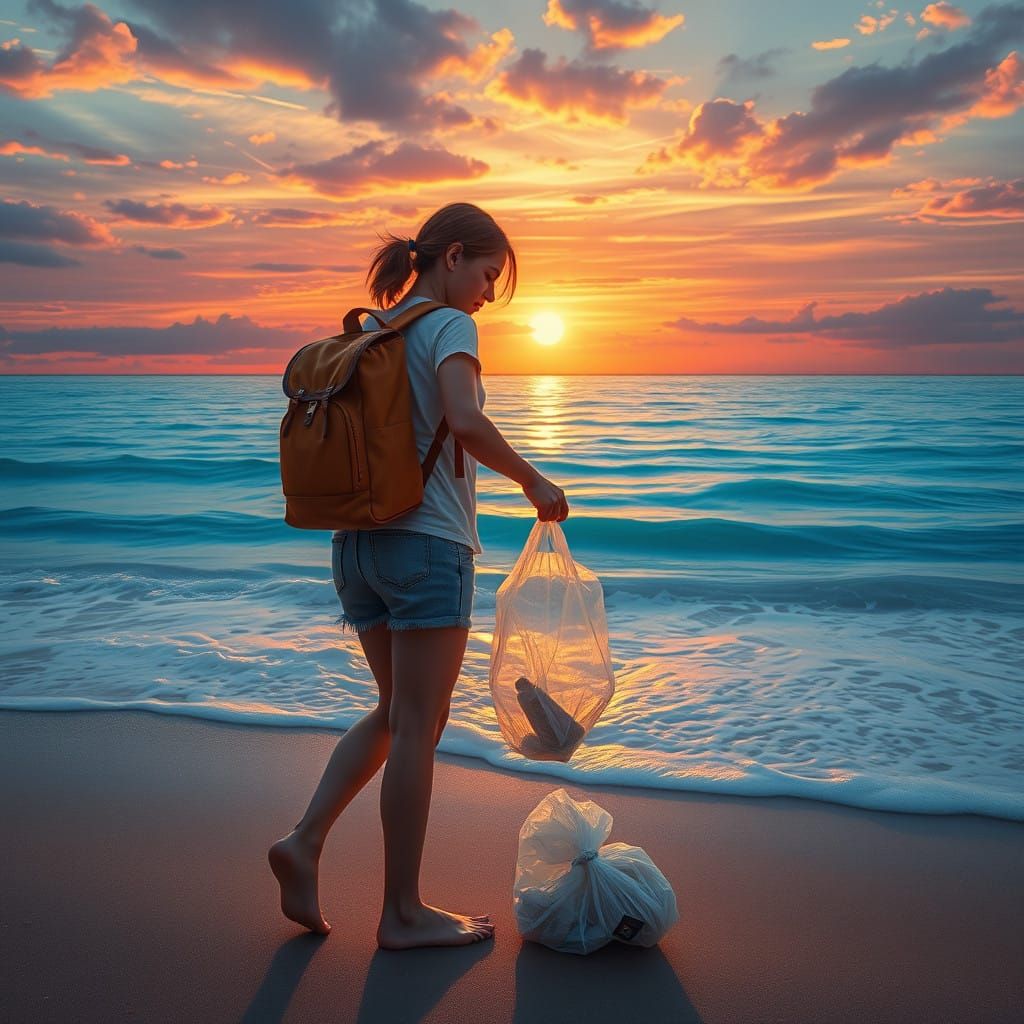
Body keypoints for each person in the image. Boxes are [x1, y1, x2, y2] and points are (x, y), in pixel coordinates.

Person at [268, 202, 569, 950]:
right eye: (488, 276)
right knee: (416, 726)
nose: (488, 295)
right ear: (454, 255)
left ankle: (304, 842)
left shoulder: (375, 329)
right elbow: (464, 419)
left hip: (356, 547)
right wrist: (533, 480)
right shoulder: (449, 326)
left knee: (397, 713)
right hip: (427, 548)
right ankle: (401, 912)